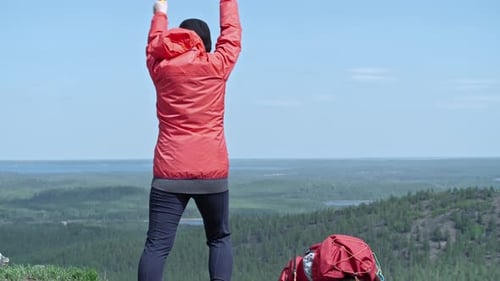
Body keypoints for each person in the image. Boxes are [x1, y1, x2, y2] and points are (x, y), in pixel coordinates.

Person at [138, 0, 242, 280]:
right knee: (219, 238)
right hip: (212, 170)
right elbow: (232, 36)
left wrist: (160, 14)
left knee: (156, 245)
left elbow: (154, 45)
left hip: (169, 172)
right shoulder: (216, 66)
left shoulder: (160, 68)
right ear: (205, 45)